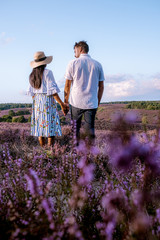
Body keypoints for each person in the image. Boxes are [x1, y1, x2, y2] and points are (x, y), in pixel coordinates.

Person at [64, 41, 105, 144]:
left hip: (75, 102)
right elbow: (101, 86)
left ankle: (75, 152)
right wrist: (97, 101)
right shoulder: (98, 64)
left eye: (75, 51)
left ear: (80, 49)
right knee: (89, 131)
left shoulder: (72, 63)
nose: (74, 54)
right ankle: (90, 154)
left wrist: (65, 102)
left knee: (75, 130)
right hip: (91, 103)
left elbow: (68, 85)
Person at [27, 51, 68, 147]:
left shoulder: (32, 75)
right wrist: (62, 104)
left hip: (37, 101)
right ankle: (50, 151)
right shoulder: (48, 72)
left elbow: (32, 93)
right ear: (44, 62)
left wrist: (37, 100)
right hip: (48, 101)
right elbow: (53, 91)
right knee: (50, 127)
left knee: (40, 128)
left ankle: (43, 150)